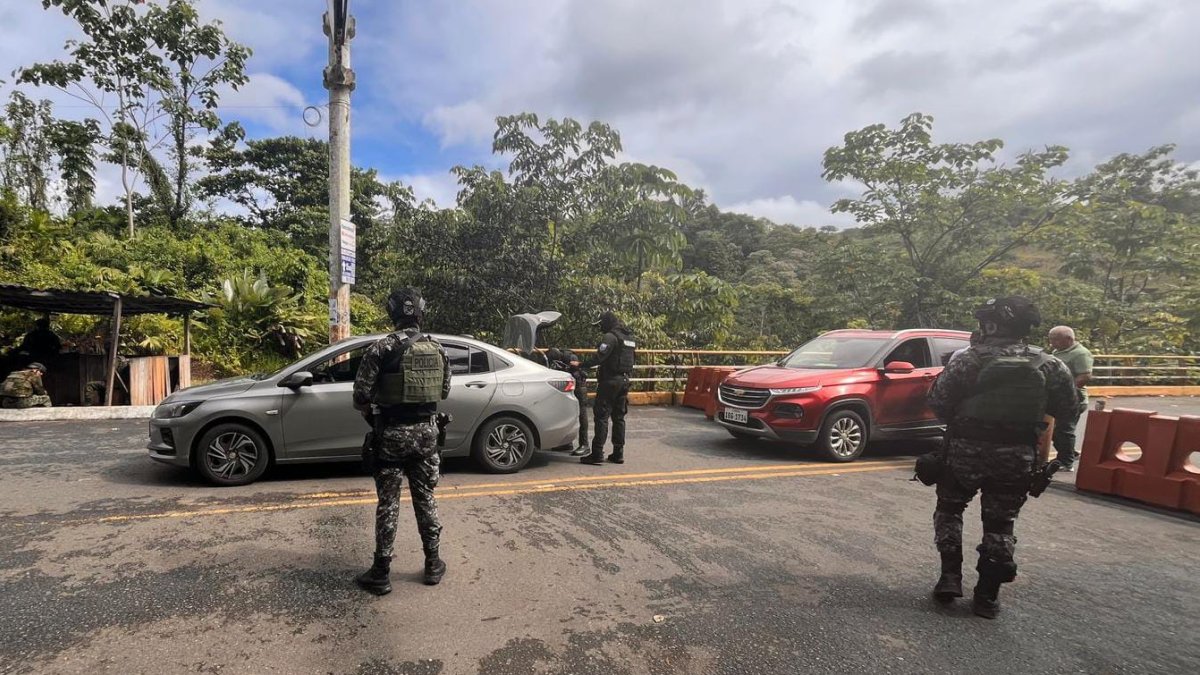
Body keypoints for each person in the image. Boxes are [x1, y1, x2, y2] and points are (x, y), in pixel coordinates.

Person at [927, 297, 1077, 619]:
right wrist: (1063, 451)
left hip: (964, 453)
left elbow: (938, 403)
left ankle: (949, 577)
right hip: (1016, 457)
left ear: (991, 325)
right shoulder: (1050, 365)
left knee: (950, 510)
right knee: (1000, 524)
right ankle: (987, 596)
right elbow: (1068, 411)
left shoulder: (967, 360)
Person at [352, 287, 452, 595]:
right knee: (426, 499)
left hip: (391, 437)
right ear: (422, 313)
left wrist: (375, 415)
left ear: (392, 313)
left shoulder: (382, 348)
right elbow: (444, 391)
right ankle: (433, 563)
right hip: (427, 436)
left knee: (389, 504)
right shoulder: (438, 348)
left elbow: (360, 396)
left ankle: (381, 572)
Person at [580, 311, 636, 465]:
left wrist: (581, 364)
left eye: (601, 324)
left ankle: (597, 453)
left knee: (601, 416)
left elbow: (599, 357)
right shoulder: (629, 338)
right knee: (619, 417)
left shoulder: (610, 337)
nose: (600, 328)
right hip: (624, 380)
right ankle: (618, 453)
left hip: (610, 381)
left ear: (607, 323)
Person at [1047, 326, 1093, 472]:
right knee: (1053, 430)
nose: (1052, 343)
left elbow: (1085, 376)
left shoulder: (1080, 353)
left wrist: (1067, 390)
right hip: (1057, 397)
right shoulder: (1057, 352)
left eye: (1056, 339)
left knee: (1064, 430)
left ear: (1069, 339)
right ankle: (1069, 452)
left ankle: (1066, 462)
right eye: (1051, 339)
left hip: (1073, 398)